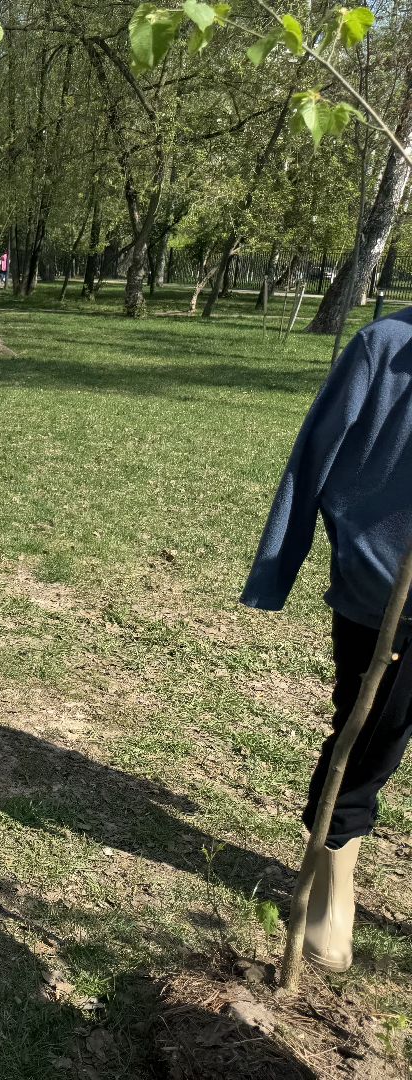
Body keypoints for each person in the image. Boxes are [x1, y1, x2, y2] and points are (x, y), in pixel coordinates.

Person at [242, 305, 412, 973]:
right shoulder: (385, 347)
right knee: (370, 738)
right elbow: (313, 458)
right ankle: (332, 879)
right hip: (385, 598)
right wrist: (275, 569)